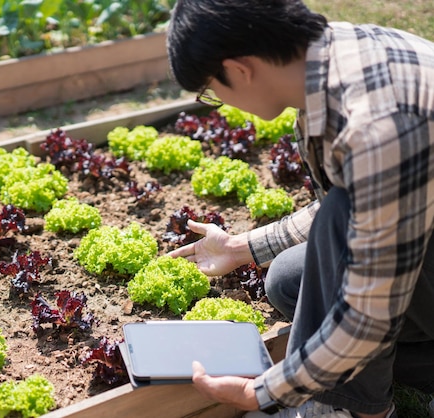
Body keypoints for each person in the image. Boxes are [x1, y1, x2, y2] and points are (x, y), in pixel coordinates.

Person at [166, 1, 434, 417]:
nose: (216, 101)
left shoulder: (376, 128)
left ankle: (364, 412)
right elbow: (363, 200)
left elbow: (368, 316)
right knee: (289, 279)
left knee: (338, 238)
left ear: (239, 69)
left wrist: (266, 392)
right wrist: (241, 247)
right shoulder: (339, 56)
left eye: (209, 92)